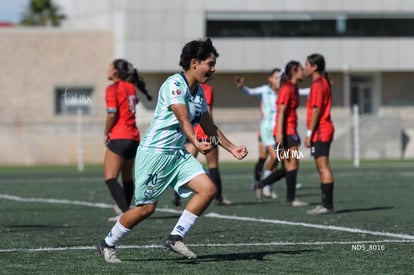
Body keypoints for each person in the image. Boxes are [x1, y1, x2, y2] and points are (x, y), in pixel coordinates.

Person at [97, 38, 248, 263]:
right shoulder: (174, 84)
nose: (213, 69)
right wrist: (196, 143)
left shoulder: (199, 93)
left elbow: (209, 126)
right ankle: (107, 243)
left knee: (208, 189)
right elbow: (183, 119)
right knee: (146, 209)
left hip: (177, 154)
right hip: (155, 154)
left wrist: (232, 147)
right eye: (210, 63)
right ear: (194, 63)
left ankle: (175, 237)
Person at [103, 59, 152, 221]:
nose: (107, 70)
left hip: (119, 136)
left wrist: (106, 132)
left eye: (110, 67)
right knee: (127, 178)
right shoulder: (131, 87)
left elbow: (112, 114)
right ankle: (125, 209)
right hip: (133, 137)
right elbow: (133, 102)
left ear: (115, 72)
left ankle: (125, 212)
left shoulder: (112, 88)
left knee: (110, 178)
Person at [172, 83, 232, 207]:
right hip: (204, 132)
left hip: (191, 132)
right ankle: (219, 198)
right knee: (213, 165)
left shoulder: (184, 87)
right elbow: (207, 112)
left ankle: (176, 196)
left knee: (184, 165)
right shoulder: (206, 89)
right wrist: (210, 131)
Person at [233, 70, 281, 201]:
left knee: (276, 160)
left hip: (279, 130)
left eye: (280, 77)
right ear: (270, 79)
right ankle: (260, 183)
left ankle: (268, 187)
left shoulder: (282, 92)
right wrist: (242, 86)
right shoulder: (265, 90)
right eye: (276, 77)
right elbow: (250, 92)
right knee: (268, 157)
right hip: (266, 130)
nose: (278, 80)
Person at [273, 61, 308, 207]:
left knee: (290, 165)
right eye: (301, 69)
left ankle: (262, 185)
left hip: (291, 130)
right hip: (286, 132)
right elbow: (281, 110)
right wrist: (280, 132)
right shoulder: (287, 88)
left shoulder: (293, 88)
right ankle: (291, 199)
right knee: (292, 164)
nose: (303, 71)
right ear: (294, 71)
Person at [304, 53, 335, 215]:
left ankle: (327, 205)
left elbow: (316, 110)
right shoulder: (322, 82)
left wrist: (309, 133)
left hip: (321, 130)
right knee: (321, 167)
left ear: (315, 67)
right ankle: (325, 203)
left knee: (323, 167)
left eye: (307, 65)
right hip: (323, 129)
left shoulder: (317, 84)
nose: (305, 68)